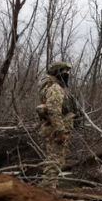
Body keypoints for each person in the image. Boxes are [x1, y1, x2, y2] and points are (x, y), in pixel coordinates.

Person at [37, 60, 77, 188]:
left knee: (56, 158)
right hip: (56, 130)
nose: (66, 74)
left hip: (55, 128)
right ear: (58, 72)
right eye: (64, 71)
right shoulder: (55, 88)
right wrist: (61, 131)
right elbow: (54, 111)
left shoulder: (53, 87)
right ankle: (48, 186)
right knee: (54, 159)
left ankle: (49, 184)